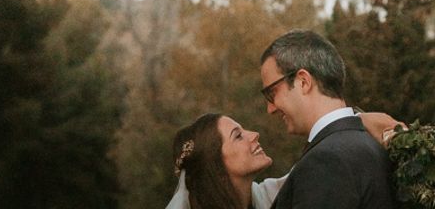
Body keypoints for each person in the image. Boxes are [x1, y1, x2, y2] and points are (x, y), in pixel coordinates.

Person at [260, 29, 396, 208]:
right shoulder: (368, 145)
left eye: (272, 93)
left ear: (303, 81)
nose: (270, 108)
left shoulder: (325, 161)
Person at [165, 111, 399, 209]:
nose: (254, 134)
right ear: (216, 165)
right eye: (238, 136)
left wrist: (356, 120)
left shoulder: (270, 195)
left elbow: (319, 163)